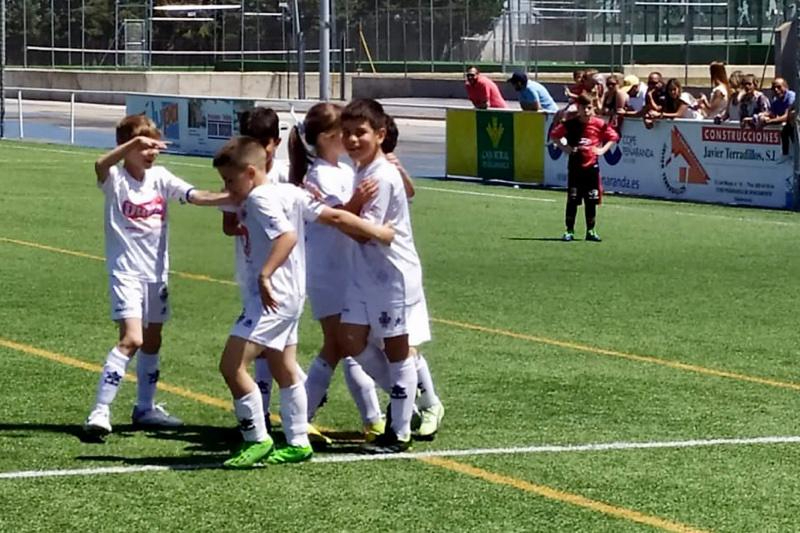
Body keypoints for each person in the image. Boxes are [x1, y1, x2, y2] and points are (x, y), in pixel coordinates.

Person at [213, 136, 395, 468]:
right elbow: (337, 218)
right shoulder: (291, 192)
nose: (228, 187)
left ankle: (257, 439)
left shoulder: (259, 200)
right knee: (284, 368)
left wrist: (265, 274)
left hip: (272, 297)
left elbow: (287, 236)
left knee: (231, 365)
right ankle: (297, 441)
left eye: (230, 180)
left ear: (250, 172)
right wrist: (378, 232)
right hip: (293, 296)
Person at [83, 115, 232, 438]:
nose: (151, 153)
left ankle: (145, 408)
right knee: (132, 339)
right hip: (126, 272)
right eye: (144, 146)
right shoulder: (115, 179)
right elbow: (99, 163)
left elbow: (195, 196)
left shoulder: (160, 177)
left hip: (156, 273)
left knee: (153, 340)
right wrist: (131, 145)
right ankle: (100, 410)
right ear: (128, 147)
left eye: (154, 146)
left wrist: (236, 198)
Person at [338, 99, 434, 454]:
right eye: (346, 133)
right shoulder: (362, 171)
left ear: (379, 134)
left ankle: (399, 431)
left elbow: (367, 231)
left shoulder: (380, 176)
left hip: (392, 274)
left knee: (397, 350)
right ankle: (404, 401)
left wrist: (330, 216)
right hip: (366, 273)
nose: (351, 140)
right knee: (350, 339)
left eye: (359, 133)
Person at [287, 102, 387, 441]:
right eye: (344, 132)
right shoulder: (316, 177)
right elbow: (338, 218)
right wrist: (359, 202)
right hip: (327, 271)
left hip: (349, 268)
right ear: (328, 136)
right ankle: (301, 418)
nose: (350, 138)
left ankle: (371, 419)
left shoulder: (343, 170)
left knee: (350, 344)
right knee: (339, 344)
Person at [549, 94, 619, 243]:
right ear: (578, 108)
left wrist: (601, 150)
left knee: (591, 200)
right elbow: (554, 135)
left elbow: (613, 136)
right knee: (573, 200)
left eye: (589, 107)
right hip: (575, 167)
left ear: (592, 108)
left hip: (591, 168)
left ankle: (591, 231)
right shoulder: (570, 124)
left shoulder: (599, 124)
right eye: (583, 107)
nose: (586, 110)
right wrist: (565, 147)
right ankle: (569, 230)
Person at [762, 77, 795, 158]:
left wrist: (770, 121)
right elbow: (770, 113)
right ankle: (785, 155)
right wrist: (760, 116)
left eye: (779, 87)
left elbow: (786, 116)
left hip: (796, 126)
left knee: (787, 129)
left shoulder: (791, 96)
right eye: (773, 88)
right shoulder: (776, 101)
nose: (776, 90)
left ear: (785, 87)